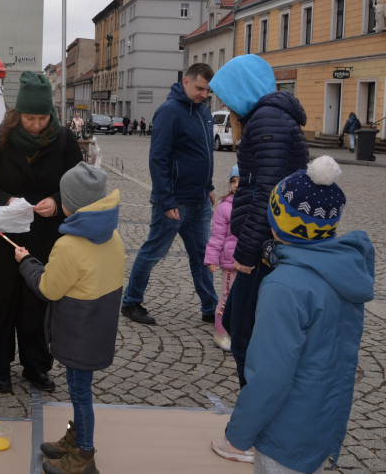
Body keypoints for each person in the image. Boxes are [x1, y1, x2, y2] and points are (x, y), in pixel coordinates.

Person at [212, 156, 375, 472]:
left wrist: (239, 433)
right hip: (320, 422)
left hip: (284, 436)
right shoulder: (343, 271)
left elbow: (270, 374)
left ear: (278, 221)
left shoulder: (284, 286)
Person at [0, 72, 83, 393]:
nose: (36, 124)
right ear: (17, 114)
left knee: (40, 301)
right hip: (2, 237)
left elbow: (78, 186)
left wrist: (58, 201)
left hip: (45, 236)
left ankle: (36, 366)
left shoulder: (64, 140)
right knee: (0, 302)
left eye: (42, 117)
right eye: (29, 117)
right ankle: (1, 367)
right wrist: (7, 200)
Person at [13, 162, 125, 474]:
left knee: (79, 392)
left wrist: (27, 262)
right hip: (98, 329)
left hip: (79, 333)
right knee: (79, 391)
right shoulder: (112, 237)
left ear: (68, 204)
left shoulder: (69, 245)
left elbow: (48, 288)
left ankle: (84, 455)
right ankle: (76, 440)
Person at [208, 54, 308, 387]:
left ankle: (250, 424)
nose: (222, 101)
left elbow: (267, 191)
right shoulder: (269, 118)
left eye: (225, 93)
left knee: (247, 337)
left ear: (241, 89)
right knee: (237, 323)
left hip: (263, 250)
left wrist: (246, 255)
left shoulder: (267, 121)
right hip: (264, 244)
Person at [121, 63, 218, 326]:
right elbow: (158, 159)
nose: (203, 94)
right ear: (185, 82)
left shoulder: (204, 111)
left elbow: (205, 154)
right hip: (175, 202)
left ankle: (210, 306)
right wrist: (166, 200)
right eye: (199, 88)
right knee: (153, 251)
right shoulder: (169, 111)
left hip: (199, 201)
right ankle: (131, 302)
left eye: (207, 90)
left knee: (202, 255)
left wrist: (208, 187)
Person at [204, 164, 239, 351]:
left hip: (249, 262)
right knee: (227, 297)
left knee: (246, 299)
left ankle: (239, 332)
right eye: (233, 181)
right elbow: (217, 236)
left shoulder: (256, 205)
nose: (236, 185)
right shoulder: (224, 208)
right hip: (230, 263)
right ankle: (220, 334)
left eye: (240, 181)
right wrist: (212, 258)